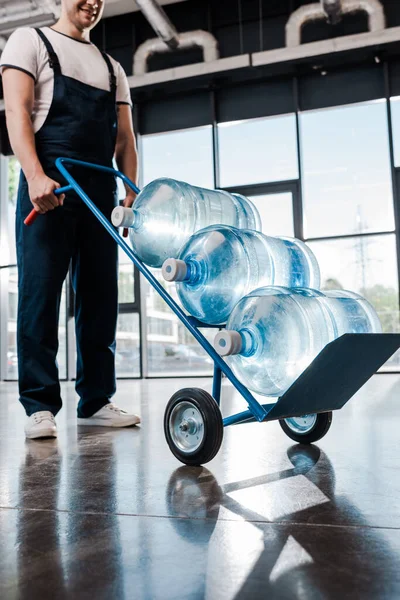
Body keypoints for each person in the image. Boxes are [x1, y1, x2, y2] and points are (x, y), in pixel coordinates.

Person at [1, 0, 141, 439]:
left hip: (99, 194)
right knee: (40, 296)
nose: (92, 3)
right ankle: (39, 406)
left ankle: (96, 400)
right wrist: (35, 175)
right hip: (49, 191)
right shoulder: (30, 41)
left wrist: (131, 192)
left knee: (100, 300)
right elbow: (17, 112)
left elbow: (125, 139)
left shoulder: (111, 67)